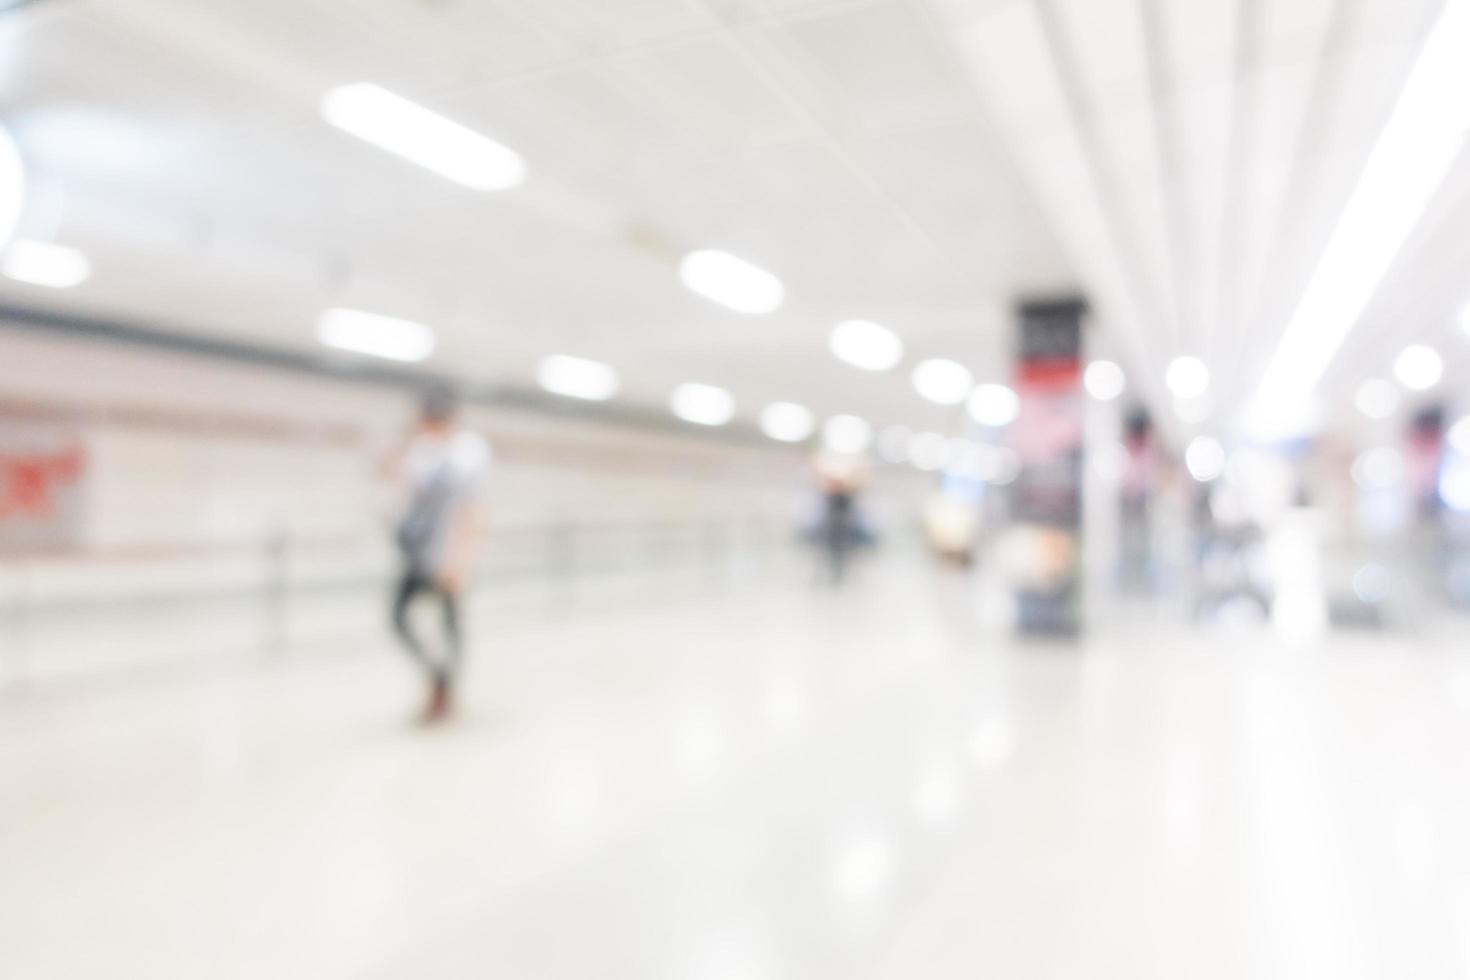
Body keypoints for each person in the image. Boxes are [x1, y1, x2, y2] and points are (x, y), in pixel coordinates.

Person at [387, 385, 492, 723]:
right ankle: (438, 678)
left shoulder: (468, 453)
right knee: (400, 617)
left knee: (449, 624)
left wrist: (460, 560)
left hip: (447, 555)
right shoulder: (421, 451)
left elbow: (473, 510)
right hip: (418, 554)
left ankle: (446, 692)